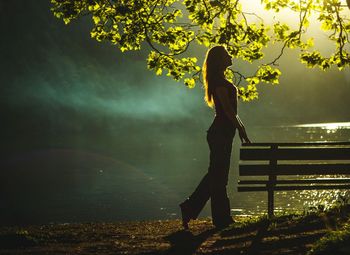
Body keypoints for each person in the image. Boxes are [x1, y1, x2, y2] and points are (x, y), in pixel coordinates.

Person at [179, 45, 251, 229]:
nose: (231, 56)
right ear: (220, 59)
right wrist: (241, 129)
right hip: (220, 133)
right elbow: (228, 111)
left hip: (224, 133)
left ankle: (191, 207)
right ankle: (221, 218)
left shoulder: (220, 80)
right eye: (227, 54)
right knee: (219, 177)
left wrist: (240, 128)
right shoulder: (219, 82)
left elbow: (231, 112)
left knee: (216, 175)